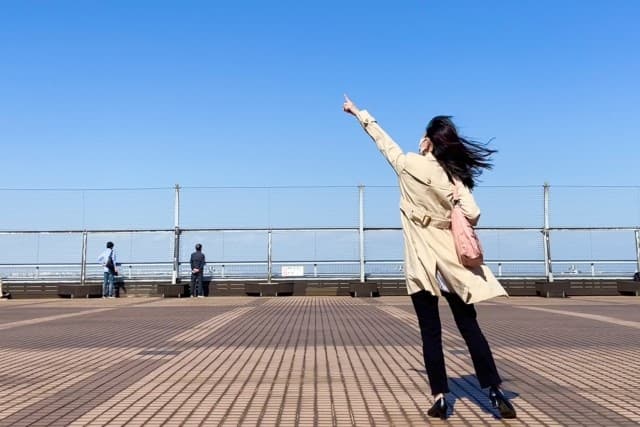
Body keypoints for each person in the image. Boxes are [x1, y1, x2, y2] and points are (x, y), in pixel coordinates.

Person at [343, 95, 516, 420]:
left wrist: (358, 113)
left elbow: (382, 140)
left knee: (430, 332)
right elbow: (475, 214)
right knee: (469, 327)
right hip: (452, 264)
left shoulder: (408, 164)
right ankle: (494, 390)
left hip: (422, 262)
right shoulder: (453, 177)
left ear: (427, 142)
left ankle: (439, 397)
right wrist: (456, 195)